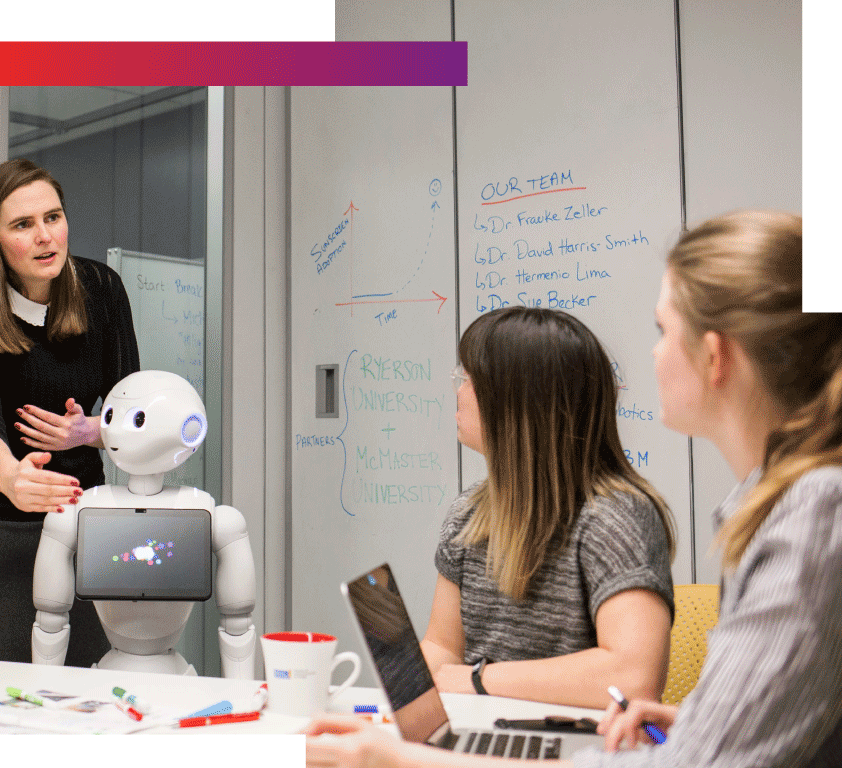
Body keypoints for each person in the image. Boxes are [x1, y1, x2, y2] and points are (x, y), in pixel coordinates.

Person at [304, 210, 842, 768]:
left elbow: (659, 716)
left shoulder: (812, 520)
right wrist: (699, 722)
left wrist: (402, 757)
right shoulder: (782, 508)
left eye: (663, 330)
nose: (651, 354)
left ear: (716, 356)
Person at [0, 158, 140, 664]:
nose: (45, 236)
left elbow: (130, 404)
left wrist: (92, 430)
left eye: (53, 217)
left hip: (78, 511)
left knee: (87, 667)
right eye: (23, 225)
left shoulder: (102, 289)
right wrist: (11, 479)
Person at [420, 306, 676, 709]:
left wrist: (478, 678)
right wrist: (410, 700)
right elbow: (441, 646)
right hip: (484, 728)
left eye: (468, 379)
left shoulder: (616, 519)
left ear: (515, 403)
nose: (458, 390)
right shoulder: (469, 514)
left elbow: (632, 679)